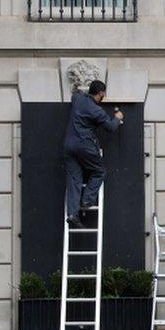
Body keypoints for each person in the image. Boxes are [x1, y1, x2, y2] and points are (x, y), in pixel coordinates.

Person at [63, 80, 123, 228]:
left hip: (68, 145)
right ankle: (87, 200)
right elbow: (109, 127)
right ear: (101, 93)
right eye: (104, 94)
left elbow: (76, 94)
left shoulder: (78, 99)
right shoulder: (96, 111)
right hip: (85, 146)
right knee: (99, 171)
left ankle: (72, 214)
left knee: (74, 179)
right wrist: (118, 118)